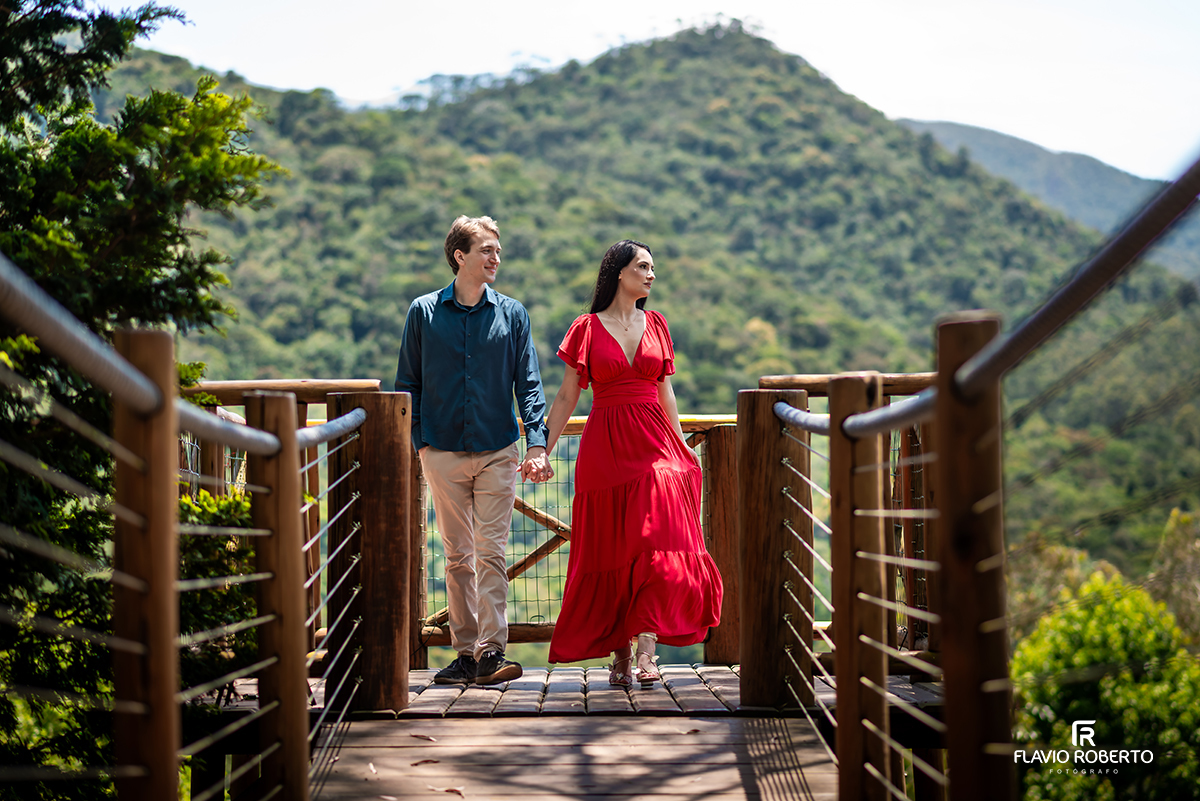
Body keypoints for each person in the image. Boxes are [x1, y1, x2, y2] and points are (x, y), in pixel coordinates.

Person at [544, 239, 723, 688]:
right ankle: (620, 656)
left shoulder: (657, 324)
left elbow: (666, 393)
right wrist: (540, 449)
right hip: (604, 446)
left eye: (652, 267)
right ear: (619, 273)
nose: (651, 274)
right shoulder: (585, 327)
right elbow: (568, 395)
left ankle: (648, 650)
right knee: (612, 550)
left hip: (654, 444)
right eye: (643, 266)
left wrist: (680, 445)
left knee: (655, 543)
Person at [395, 215, 553, 686]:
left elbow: (529, 385)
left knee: (491, 552)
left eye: (497, 250)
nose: (496, 257)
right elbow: (409, 384)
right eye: (486, 249)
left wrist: (538, 444)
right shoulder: (423, 312)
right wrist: (421, 443)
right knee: (457, 555)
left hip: (497, 449)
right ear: (459, 256)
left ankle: (490, 651)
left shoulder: (513, 313)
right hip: (440, 449)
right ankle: (464, 652)